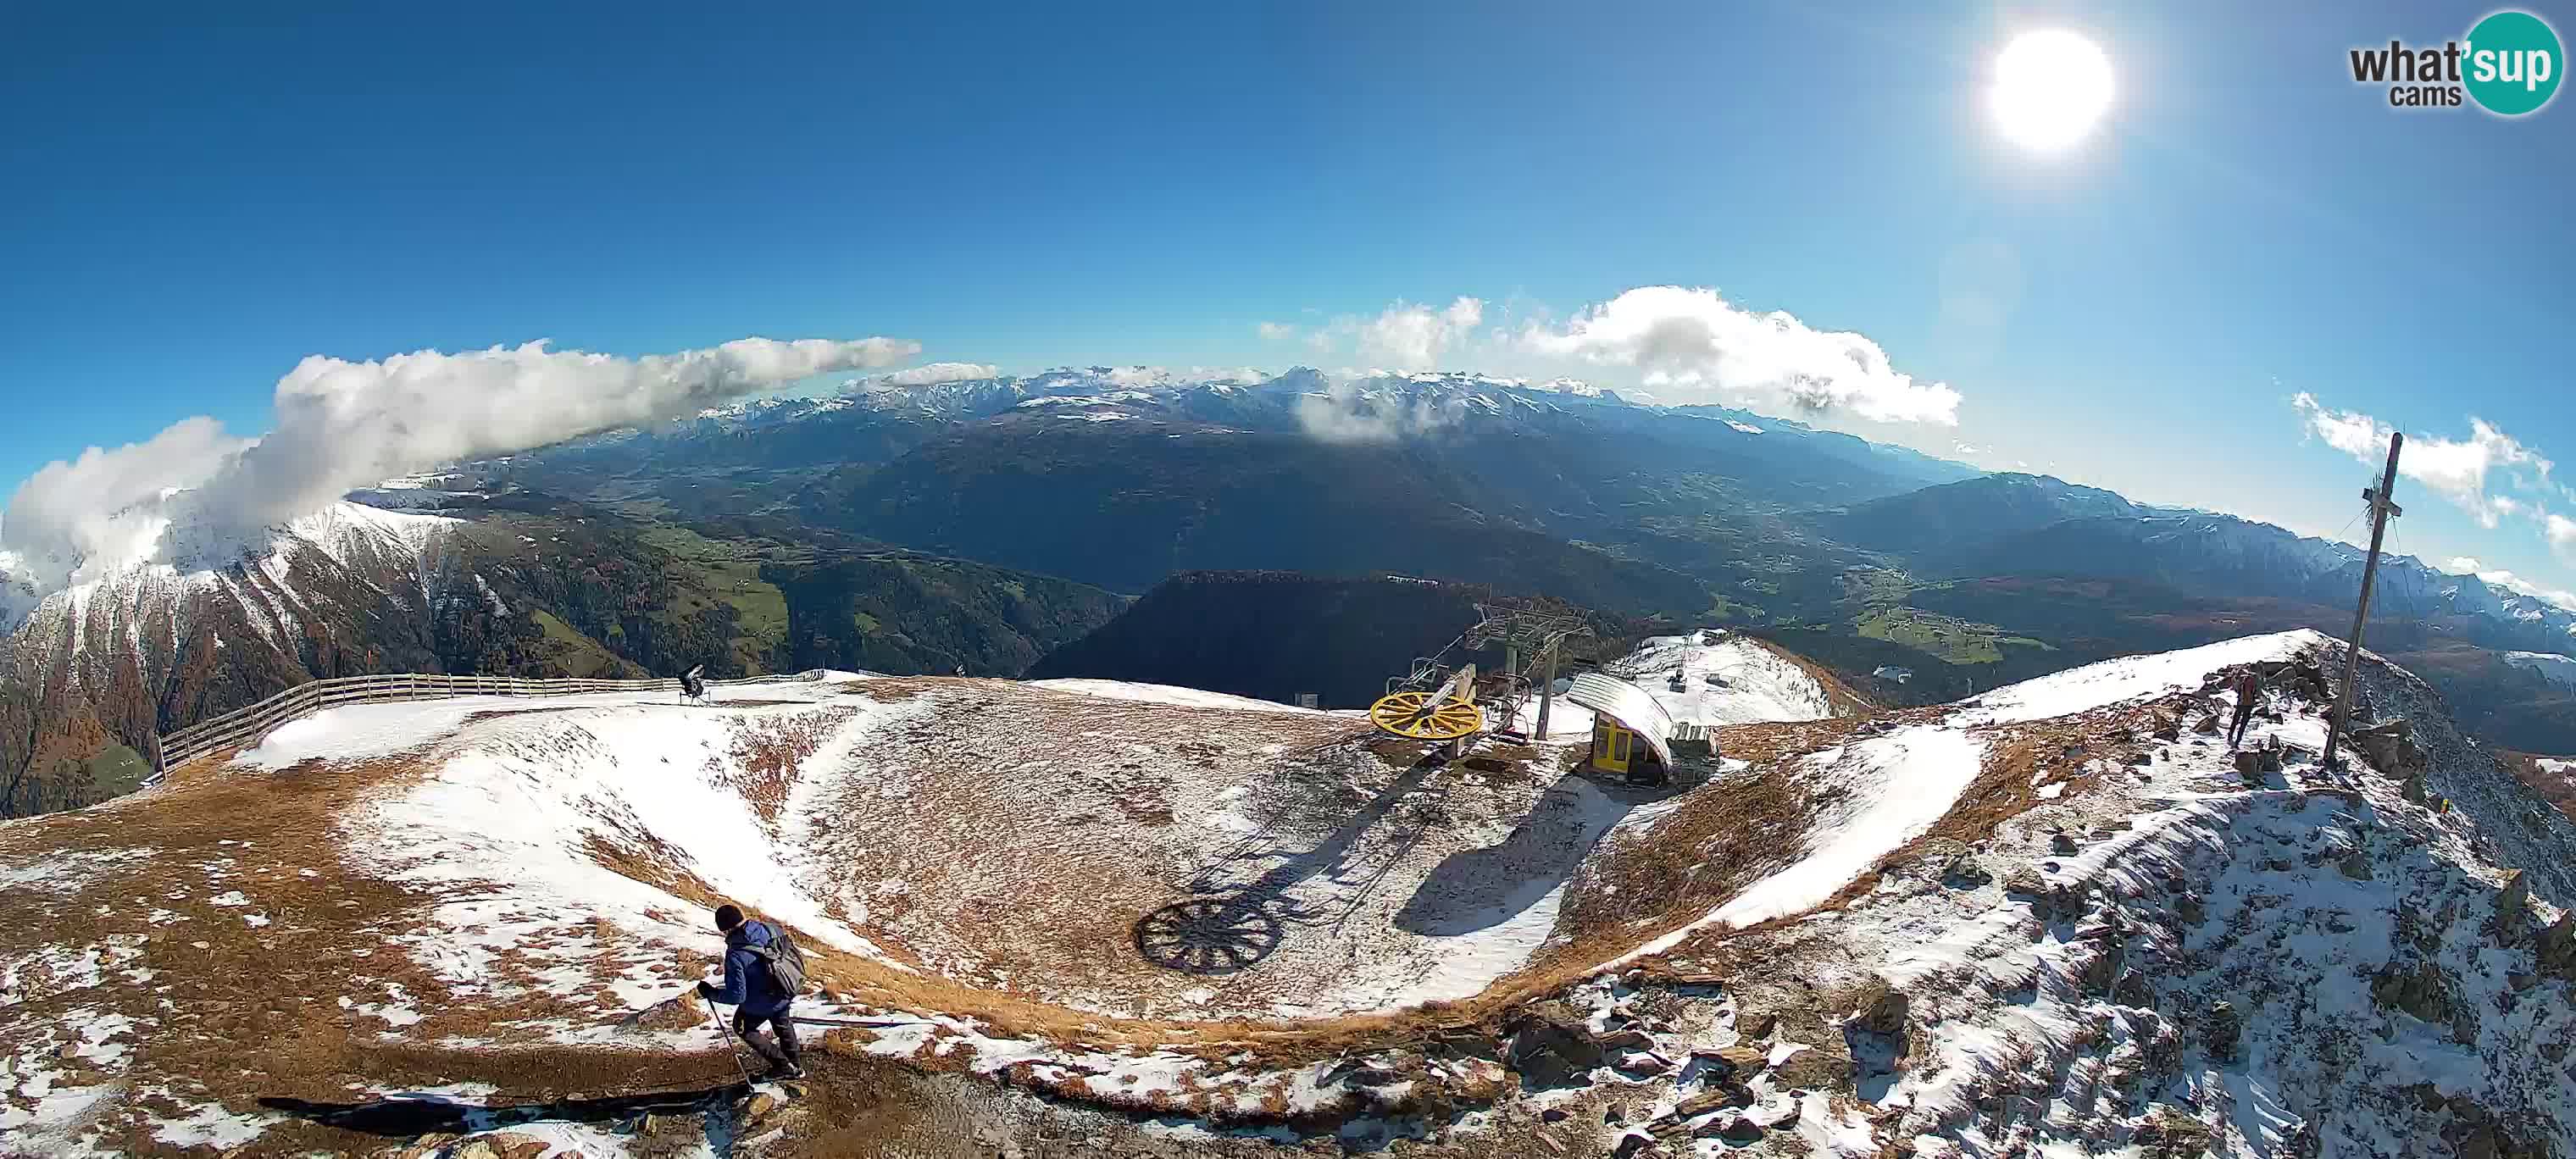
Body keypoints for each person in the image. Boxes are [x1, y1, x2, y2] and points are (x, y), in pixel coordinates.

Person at [697, 903, 803, 1079]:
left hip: (760, 1002)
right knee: (783, 1025)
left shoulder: (735, 954)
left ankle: (783, 1066)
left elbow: (737, 996)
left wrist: (711, 993)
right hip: (784, 989)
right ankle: (796, 1066)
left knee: (743, 1028)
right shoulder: (770, 929)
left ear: (724, 929)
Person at [2226, 670, 2262, 749]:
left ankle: (2230, 735)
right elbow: (2255, 693)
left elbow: (2238, 690)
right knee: (2243, 724)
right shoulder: (2255, 680)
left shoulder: (2243, 680)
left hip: (2240, 703)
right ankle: (2237, 742)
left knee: (2235, 720)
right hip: (2248, 705)